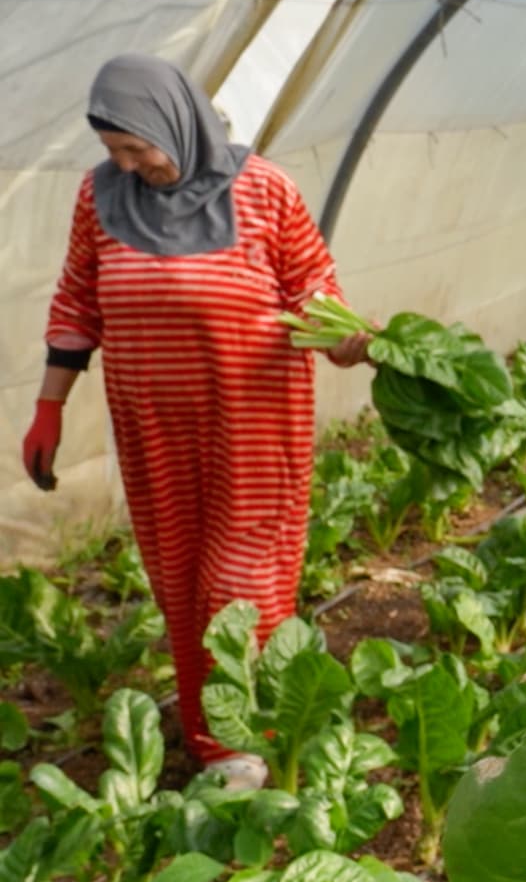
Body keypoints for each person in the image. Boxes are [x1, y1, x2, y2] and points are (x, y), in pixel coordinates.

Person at [20, 54, 371, 786]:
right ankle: (214, 733)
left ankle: (249, 739)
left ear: (173, 123)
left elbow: (313, 286)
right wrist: (48, 406)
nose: (127, 164)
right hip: (153, 421)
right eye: (114, 150)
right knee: (179, 576)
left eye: (137, 147)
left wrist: (345, 337)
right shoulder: (101, 198)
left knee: (242, 580)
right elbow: (78, 301)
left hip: (253, 417)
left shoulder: (265, 190)